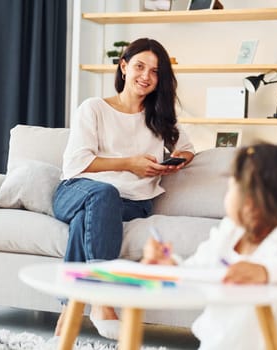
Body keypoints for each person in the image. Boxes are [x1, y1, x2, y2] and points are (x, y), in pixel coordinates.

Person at [142, 143, 277, 350]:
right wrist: (170, 266)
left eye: (231, 186)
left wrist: (266, 272)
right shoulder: (227, 235)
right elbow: (197, 272)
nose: (226, 194)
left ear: (253, 200)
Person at [52, 37, 195, 339]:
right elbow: (77, 163)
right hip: (77, 191)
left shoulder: (160, 118)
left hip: (132, 202)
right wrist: (129, 163)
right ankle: (103, 301)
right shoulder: (94, 109)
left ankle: (70, 308)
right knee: (103, 194)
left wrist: (177, 160)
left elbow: (186, 147)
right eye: (140, 67)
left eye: (155, 72)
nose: (146, 76)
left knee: (88, 219)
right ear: (124, 66)